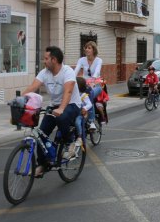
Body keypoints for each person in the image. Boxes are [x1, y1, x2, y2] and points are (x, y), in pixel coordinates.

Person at [21, 46, 81, 178]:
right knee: (41, 133)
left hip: (72, 104)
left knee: (62, 117)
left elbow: (68, 92)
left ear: (54, 60)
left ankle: (70, 142)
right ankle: (43, 165)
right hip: (54, 106)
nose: (44, 61)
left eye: (46, 58)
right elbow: (33, 86)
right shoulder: (45, 72)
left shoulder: (67, 71)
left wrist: (61, 108)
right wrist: (19, 99)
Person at [74, 41, 103, 131]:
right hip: (84, 85)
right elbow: (76, 70)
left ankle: (91, 121)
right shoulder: (82, 60)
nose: (86, 49)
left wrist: (93, 80)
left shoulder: (99, 60)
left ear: (94, 50)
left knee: (89, 94)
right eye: (86, 47)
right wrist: (70, 78)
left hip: (97, 85)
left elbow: (97, 71)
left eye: (89, 48)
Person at [74, 77, 93, 149]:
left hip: (81, 113)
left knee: (77, 122)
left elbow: (89, 104)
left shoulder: (83, 95)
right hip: (74, 112)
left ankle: (79, 137)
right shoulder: (73, 93)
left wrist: (85, 108)